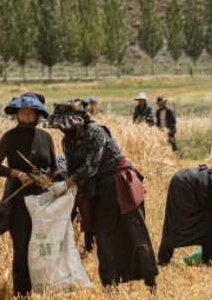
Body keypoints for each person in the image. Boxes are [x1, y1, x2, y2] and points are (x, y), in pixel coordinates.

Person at [49, 102, 158, 289]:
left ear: (79, 120)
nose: (62, 129)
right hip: (96, 190)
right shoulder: (67, 142)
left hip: (118, 183)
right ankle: (110, 283)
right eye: (60, 125)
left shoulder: (96, 132)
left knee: (134, 232)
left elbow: (91, 167)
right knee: (103, 236)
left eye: (66, 125)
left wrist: (68, 183)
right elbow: (73, 169)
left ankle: (150, 280)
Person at [0, 93, 63, 297]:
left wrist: (53, 180)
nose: (26, 116)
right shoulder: (9, 137)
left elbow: (55, 168)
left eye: (30, 113)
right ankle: (22, 293)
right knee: (22, 247)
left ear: (38, 115)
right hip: (19, 201)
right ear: (17, 115)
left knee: (43, 246)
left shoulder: (46, 138)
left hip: (43, 199)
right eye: (22, 113)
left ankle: (44, 289)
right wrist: (16, 174)